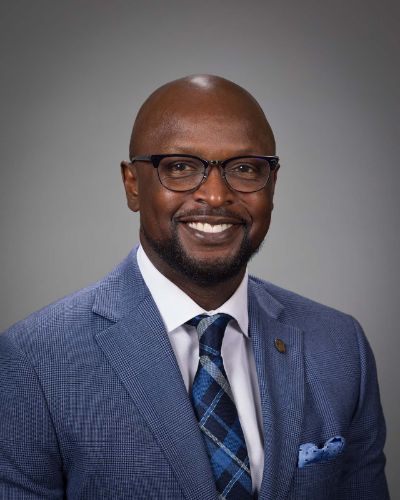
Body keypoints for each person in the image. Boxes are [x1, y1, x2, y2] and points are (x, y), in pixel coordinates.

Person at [0, 75, 389, 500]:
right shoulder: (35, 362)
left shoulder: (339, 346)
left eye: (245, 168)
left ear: (272, 184)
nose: (216, 196)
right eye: (181, 167)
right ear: (133, 185)